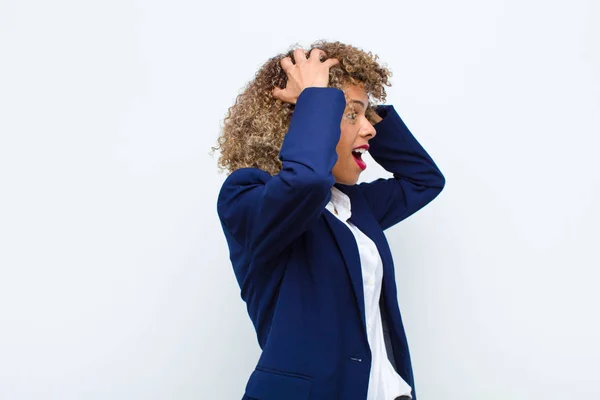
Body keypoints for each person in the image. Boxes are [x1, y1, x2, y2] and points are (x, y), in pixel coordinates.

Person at [213, 40, 445, 400]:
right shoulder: (245, 196)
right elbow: (304, 181)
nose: (369, 130)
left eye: (365, 117)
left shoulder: (355, 206)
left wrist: (365, 108)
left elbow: (425, 180)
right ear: (304, 119)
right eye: (351, 115)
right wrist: (316, 100)